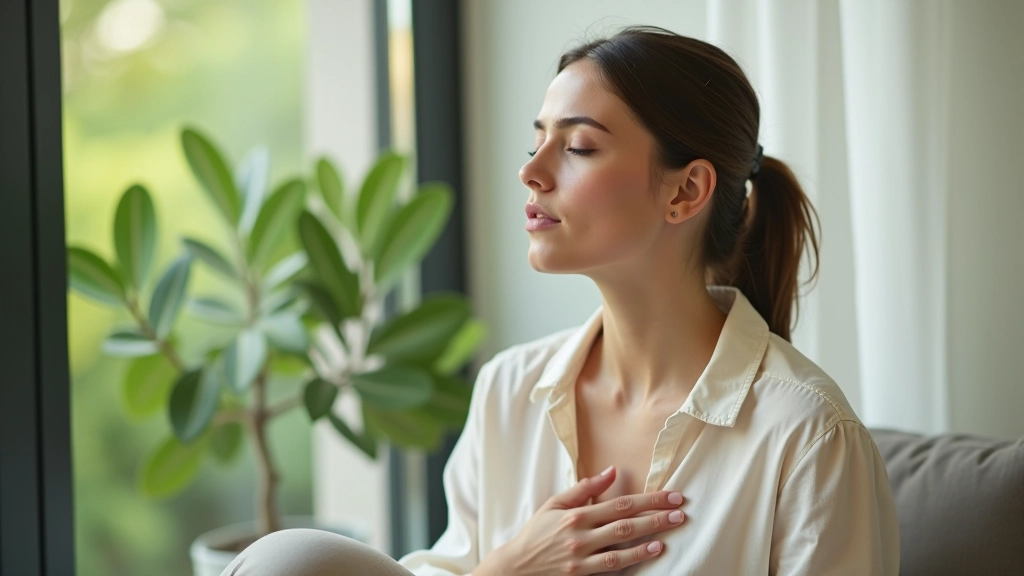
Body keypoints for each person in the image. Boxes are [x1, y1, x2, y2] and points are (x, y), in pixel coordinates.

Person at [223, 25, 899, 576]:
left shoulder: (807, 437)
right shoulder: (509, 392)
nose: (531, 171)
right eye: (536, 140)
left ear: (686, 192)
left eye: (577, 146)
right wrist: (511, 569)